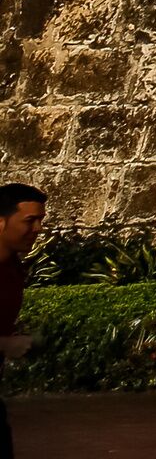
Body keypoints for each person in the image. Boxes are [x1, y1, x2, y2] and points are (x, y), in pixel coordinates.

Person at [0, 181, 46, 459]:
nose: (38, 229)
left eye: (41, 220)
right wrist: (4, 344)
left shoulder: (14, 268)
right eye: (30, 220)